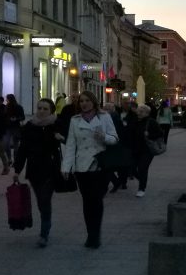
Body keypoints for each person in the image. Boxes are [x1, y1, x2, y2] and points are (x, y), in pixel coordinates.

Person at [61, 91, 118, 249]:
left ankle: (96, 232)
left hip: (100, 165)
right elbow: (71, 145)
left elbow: (114, 138)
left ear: (93, 102)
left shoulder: (104, 117)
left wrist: (104, 137)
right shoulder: (75, 120)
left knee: (97, 199)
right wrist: (66, 167)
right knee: (88, 201)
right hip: (82, 166)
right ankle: (91, 234)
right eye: (81, 101)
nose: (84, 103)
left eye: (87, 100)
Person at [13, 98, 62, 247]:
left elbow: (70, 143)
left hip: (51, 169)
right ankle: (46, 222)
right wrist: (17, 170)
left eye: (45, 109)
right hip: (34, 170)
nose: (41, 111)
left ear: (51, 111)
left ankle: (44, 233)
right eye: (39, 108)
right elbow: (23, 149)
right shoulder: (30, 126)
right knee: (41, 202)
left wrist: (61, 138)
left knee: (44, 200)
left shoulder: (56, 125)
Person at [130, 104, 162, 198]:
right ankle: (142, 179)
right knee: (131, 168)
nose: (139, 113)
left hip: (147, 150)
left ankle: (141, 189)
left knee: (142, 168)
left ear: (147, 113)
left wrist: (149, 135)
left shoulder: (151, 122)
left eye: (141, 111)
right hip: (135, 149)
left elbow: (160, 133)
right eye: (138, 111)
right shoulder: (134, 121)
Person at [3, 93, 26, 166]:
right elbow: (3, 116)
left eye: (7, 99)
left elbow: (23, 117)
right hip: (7, 127)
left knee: (16, 146)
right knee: (6, 144)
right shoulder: (6, 107)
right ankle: (9, 159)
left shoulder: (18, 107)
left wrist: (16, 119)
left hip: (16, 127)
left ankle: (15, 161)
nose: (6, 100)